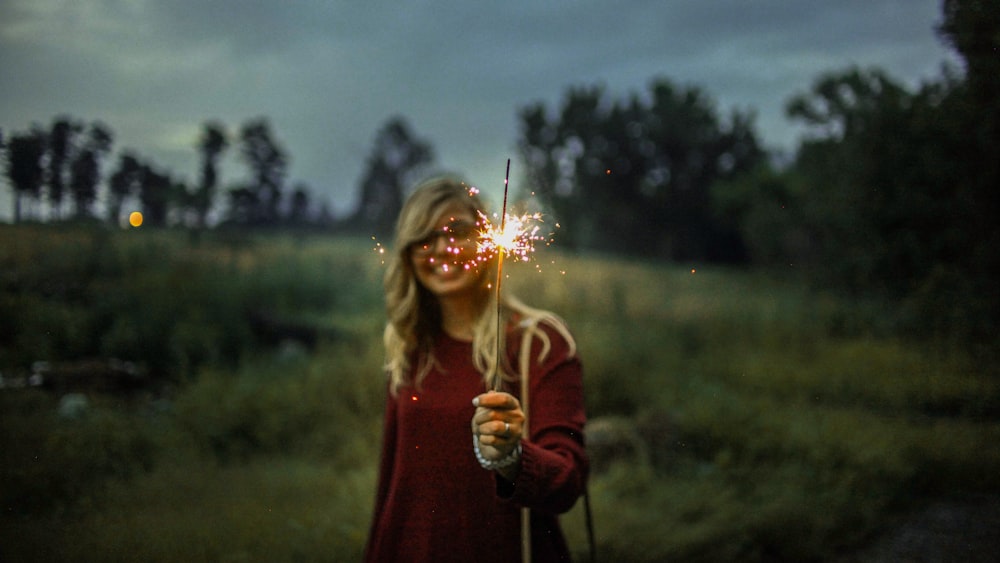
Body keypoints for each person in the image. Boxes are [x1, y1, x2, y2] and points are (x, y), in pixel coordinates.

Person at [364, 176, 588, 562]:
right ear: (408, 254)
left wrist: (513, 458)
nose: (442, 249)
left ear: (487, 239)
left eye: (458, 231)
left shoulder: (540, 343)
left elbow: (568, 480)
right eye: (423, 239)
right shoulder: (409, 345)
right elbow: (392, 485)